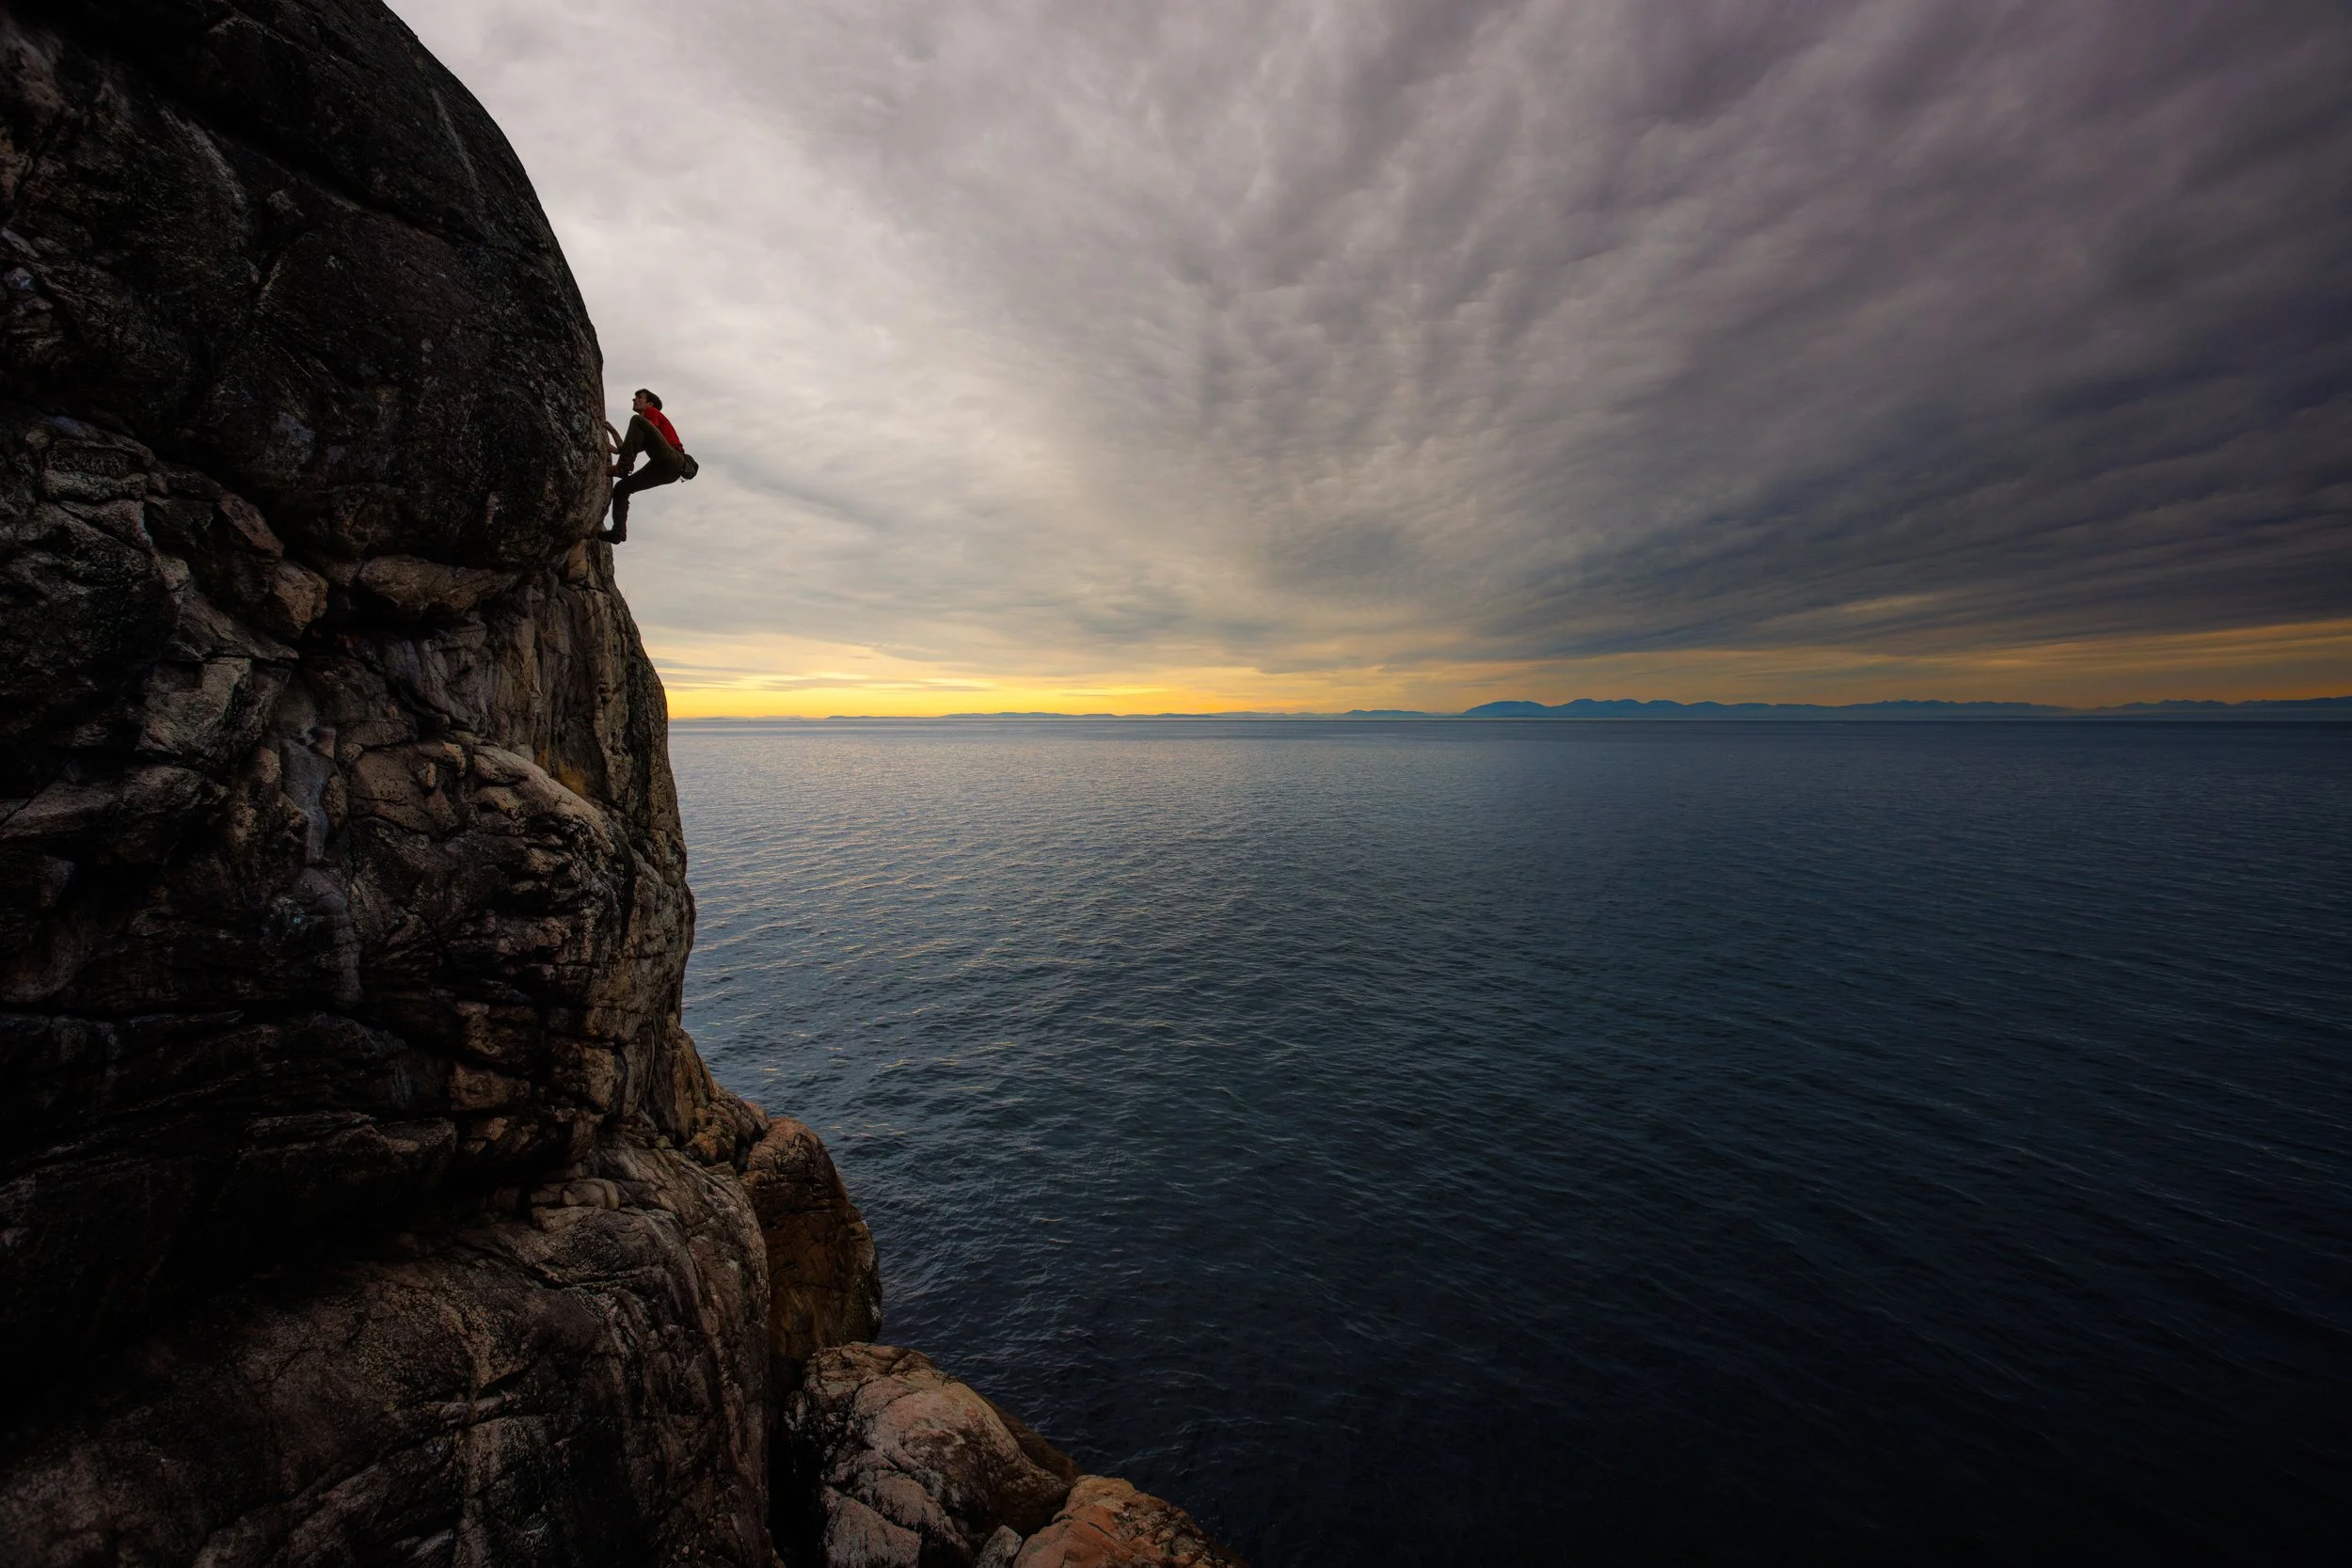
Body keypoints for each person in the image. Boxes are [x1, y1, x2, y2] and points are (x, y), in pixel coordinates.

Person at [602, 388, 687, 543]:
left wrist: (622, 465)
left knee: (636, 420)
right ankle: (618, 532)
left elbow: (630, 448)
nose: (634, 400)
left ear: (650, 404)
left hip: (673, 458)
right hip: (667, 470)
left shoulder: (652, 412)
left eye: (639, 397)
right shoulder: (643, 429)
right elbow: (628, 448)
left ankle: (623, 468)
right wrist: (613, 432)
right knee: (621, 488)